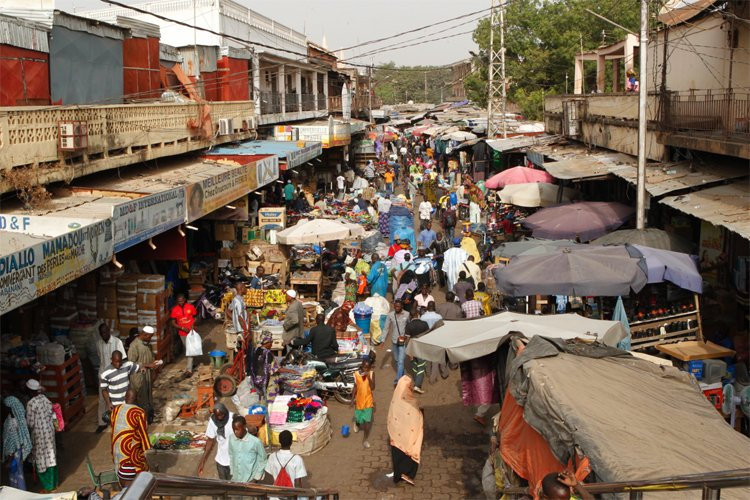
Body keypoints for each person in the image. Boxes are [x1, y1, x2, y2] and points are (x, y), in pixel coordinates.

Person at [110, 389, 151, 486]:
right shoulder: (139, 412)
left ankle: (122, 487)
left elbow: (113, 428)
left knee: (121, 469)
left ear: (125, 397)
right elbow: (142, 432)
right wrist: (146, 446)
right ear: (136, 399)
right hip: (130, 449)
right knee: (137, 470)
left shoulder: (116, 410)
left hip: (117, 447)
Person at [387, 376, 423, 486]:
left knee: (397, 455)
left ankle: (399, 474)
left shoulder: (395, 399)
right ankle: (408, 474)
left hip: (397, 436)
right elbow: (416, 416)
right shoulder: (412, 401)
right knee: (410, 452)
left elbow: (391, 417)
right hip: (409, 435)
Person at [25, 380, 58, 492]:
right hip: (50, 431)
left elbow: (30, 423)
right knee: (51, 456)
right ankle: (54, 483)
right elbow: (52, 413)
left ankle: (47, 486)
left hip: (39, 435)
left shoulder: (31, 403)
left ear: (30, 390)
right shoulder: (45, 399)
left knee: (41, 459)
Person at [93, 323, 126, 433]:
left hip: (115, 376)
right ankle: (102, 423)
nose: (104, 334)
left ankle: (116, 422)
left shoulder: (117, 342)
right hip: (103, 375)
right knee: (102, 400)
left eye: (106, 332)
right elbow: (100, 357)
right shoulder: (99, 344)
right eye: (102, 333)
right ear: (100, 334)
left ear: (109, 331)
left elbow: (123, 359)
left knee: (116, 399)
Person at [101, 351, 156, 415]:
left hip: (127, 401)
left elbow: (138, 366)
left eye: (120, 361)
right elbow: (104, 390)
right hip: (115, 403)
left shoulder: (127, 365)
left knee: (128, 420)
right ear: (111, 359)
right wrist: (108, 403)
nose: (118, 364)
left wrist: (147, 366)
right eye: (116, 361)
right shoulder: (105, 373)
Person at [197, 403, 233, 480]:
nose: (219, 418)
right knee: (224, 484)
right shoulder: (213, 421)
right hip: (221, 461)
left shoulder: (233, 418)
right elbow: (210, 441)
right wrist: (202, 461)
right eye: (217, 416)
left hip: (234, 461)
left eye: (221, 415)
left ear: (225, 412)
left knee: (234, 485)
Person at [127, 326, 156, 417]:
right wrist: (148, 365)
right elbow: (131, 363)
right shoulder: (134, 345)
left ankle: (148, 414)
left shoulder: (147, 344)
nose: (150, 339)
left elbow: (150, 357)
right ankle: (140, 416)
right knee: (140, 395)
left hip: (147, 374)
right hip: (138, 375)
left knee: (147, 394)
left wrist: (154, 363)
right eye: (149, 337)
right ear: (144, 334)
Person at [3, 396, 32, 490]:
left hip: (14, 456)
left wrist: (9, 461)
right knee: (20, 474)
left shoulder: (11, 423)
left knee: (15, 476)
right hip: (19, 453)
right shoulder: (19, 419)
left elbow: (12, 445)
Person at [248, 331, 286, 401]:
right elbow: (275, 369)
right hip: (268, 383)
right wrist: (291, 371)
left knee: (261, 400)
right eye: (271, 343)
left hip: (257, 381)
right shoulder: (268, 353)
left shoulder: (256, 349)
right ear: (267, 343)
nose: (271, 345)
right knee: (271, 402)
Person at [228, 415, 267, 483]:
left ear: (244, 427)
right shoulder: (231, 438)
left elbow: (263, 460)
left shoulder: (255, 442)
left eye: (237, 429)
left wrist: (256, 478)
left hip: (250, 480)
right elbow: (231, 455)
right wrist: (232, 472)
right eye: (233, 429)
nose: (235, 432)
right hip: (236, 479)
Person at [381, 300, 410, 385]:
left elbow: (409, 326)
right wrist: (383, 340)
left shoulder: (407, 314)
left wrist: (407, 336)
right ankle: (402, 374)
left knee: (401, 361)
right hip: (394, 341)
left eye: (398, 306)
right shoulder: (390, 315)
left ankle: (397, 379)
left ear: (402, 307)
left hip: (403, 342)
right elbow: (386, 328)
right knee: (397, 360)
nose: (396, 308)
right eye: (395, 306)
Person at [170, 293, 197, 376]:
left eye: (182, 301)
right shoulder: (175, 310)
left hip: (192, 332)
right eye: (179, 301)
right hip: (182, 333)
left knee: (190, 349)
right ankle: (192, 363)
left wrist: (192, 325)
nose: (181, 302)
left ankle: (189, 370)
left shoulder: (190, 307)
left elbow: (196, 317)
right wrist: (181, 328)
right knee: (187, 348)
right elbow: (173, 323)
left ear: (184, 300)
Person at [352, 358, 375, 449]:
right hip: (359, 400)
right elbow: (355, 387)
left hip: (368, 401)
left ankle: (365, 440)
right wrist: (352, 399)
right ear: (361, 366)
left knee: (367, 422)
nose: (366, 369)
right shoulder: (356, 374)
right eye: (365, 367)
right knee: (359, 419)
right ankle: (356, 423)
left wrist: (368, 377)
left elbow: (373, 387)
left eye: (368, 368)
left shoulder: (372, 374)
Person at [405, 309, 429, 394]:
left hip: (412, 347)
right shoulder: (424, 324)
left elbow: (407, 339)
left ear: (410, 316)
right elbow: (427, 337)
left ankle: (416, 381)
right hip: (421, 347)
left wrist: (408, 351)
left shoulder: (408, 325)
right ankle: (417, 385)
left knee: (414, 365)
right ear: (418, 314)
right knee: (421, 366)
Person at [225, 283, 249, 362]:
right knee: (242, 351)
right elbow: (239, 317)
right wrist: (245, 330)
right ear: (241, 289)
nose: (246, 290)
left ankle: (238, 367)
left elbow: (228, 310)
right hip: (241, 330)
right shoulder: (238, 301)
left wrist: (233, 318)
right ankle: (238, 369)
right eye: (245, 288)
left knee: (240, 351)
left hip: (241, 329)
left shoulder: (237, 299)